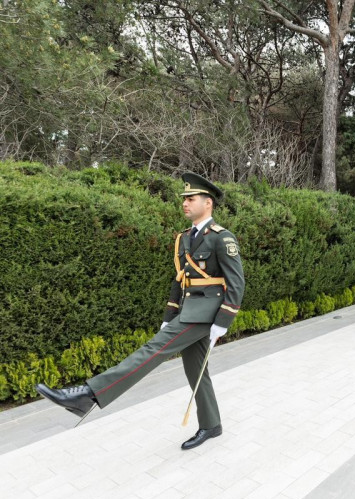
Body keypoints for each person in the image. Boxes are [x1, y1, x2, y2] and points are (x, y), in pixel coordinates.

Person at [35, 172, 245, 450]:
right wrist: (168, 317)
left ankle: (88, 393)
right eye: (184, 199)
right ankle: (211, 424)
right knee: (196, 371)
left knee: (152, 351)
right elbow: (180, 280)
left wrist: (224, 320)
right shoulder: (184, 238)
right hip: (187, 311)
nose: (184, 203)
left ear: (208, 203)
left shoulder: (221, 237)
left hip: (206, 314)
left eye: (191, 199)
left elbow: (236, 282)